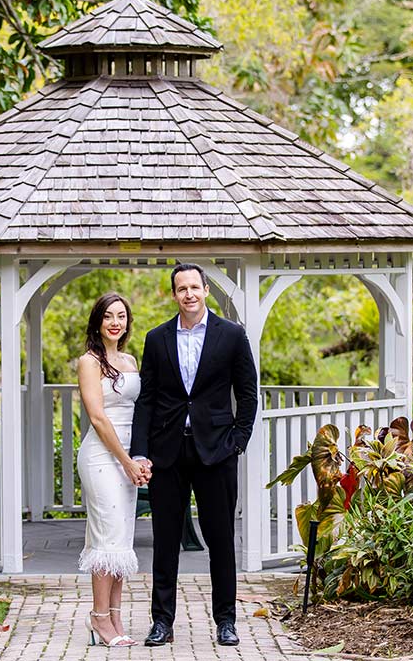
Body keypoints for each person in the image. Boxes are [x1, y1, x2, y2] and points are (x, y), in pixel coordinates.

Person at [130, 262, 259, 647]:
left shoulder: (232, 336)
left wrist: (238, 441)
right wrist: (139, 451)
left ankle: (226, 621)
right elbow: (147, 400)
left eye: (194, 287)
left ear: (206, 290)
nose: (188, 294)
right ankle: (161, 623)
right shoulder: (157, 339)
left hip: (217, 451)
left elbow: (248, 393)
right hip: (167, 452)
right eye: (181, 288)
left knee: (220, 538)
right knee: (165, 540)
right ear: (174, 295)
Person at [76, 292, 150, 647]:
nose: (115, 322)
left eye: (121, 316)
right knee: (106, 539)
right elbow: (98, 417)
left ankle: (116, 618)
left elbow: (141, 413)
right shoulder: (89, 362)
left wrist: (142, 458)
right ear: (98, 322)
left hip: (128, 458)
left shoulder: (131, 360)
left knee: (120, 541)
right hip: (101, 457)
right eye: (108, 316)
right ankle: (99, 618)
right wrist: (126, 461)